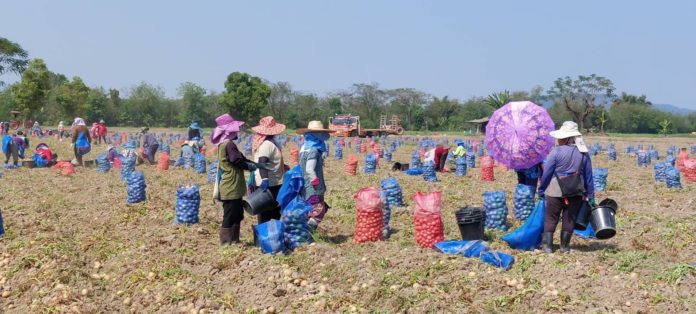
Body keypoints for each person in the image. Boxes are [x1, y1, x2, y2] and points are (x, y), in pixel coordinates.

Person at [538, 121, 595, 254]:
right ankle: (564, 247)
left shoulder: (555, 152)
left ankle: (547, 247)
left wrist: (541, 190)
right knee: (570, 218)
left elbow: (547, 173)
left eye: (560, 137)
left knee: (551, 218)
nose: (558, 139)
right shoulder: (583, 154)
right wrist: (591, 195)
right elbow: (588, 177)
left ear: (567, 138)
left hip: (554, 191)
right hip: (575, 191)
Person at [212, 114, 257, 245]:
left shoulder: (225, 144)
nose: (238, 131)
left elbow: (241, 158)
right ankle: (226, 242)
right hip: (230, 185)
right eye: (236, 129)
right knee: (230, 214)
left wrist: (254, 164)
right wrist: (250, 166)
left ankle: (234, 239)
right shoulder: (228, 144)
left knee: (237, 213)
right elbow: (237, 160)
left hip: (233, 185)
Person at [296, 121, 335, 228]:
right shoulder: (313, 150)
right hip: (313, 187)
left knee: (308, 209)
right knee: (318, 211)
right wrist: (317, 185)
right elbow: (309, 170)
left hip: (304, 185)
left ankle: (305, 231)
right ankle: (308, 231)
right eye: (319, 133)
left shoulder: (304, 148)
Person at [251, 116, 286, 223]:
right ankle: (266, 236)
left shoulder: (270, 143)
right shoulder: (267, 144)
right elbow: (262, 162)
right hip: (269, 184)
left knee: (272, 212)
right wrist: (265, 179)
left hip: (273, 182)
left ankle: (270, 235)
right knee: (268, 213)